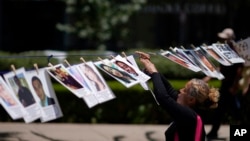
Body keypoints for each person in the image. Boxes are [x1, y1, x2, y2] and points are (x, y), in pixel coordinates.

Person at [135, 51, 220, 141]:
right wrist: (149, 64)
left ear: (191, 99)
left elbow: (163, 97)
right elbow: (169, 90)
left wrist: (153, 72)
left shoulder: (188, 115)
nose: (180, 91)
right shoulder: (190, 108)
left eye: (184, 90)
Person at [205, 28, 244, 139]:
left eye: (225, 38)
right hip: (226, 84)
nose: (222, 40)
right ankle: (214, 132)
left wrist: (234, 85)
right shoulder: (225, 51)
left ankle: (239, 133)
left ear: (230, 39)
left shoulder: (235, 51)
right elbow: (222, 68)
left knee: (234, 111)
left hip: (230, 85)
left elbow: (239, 70)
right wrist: (210, 76)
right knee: (223, 110)